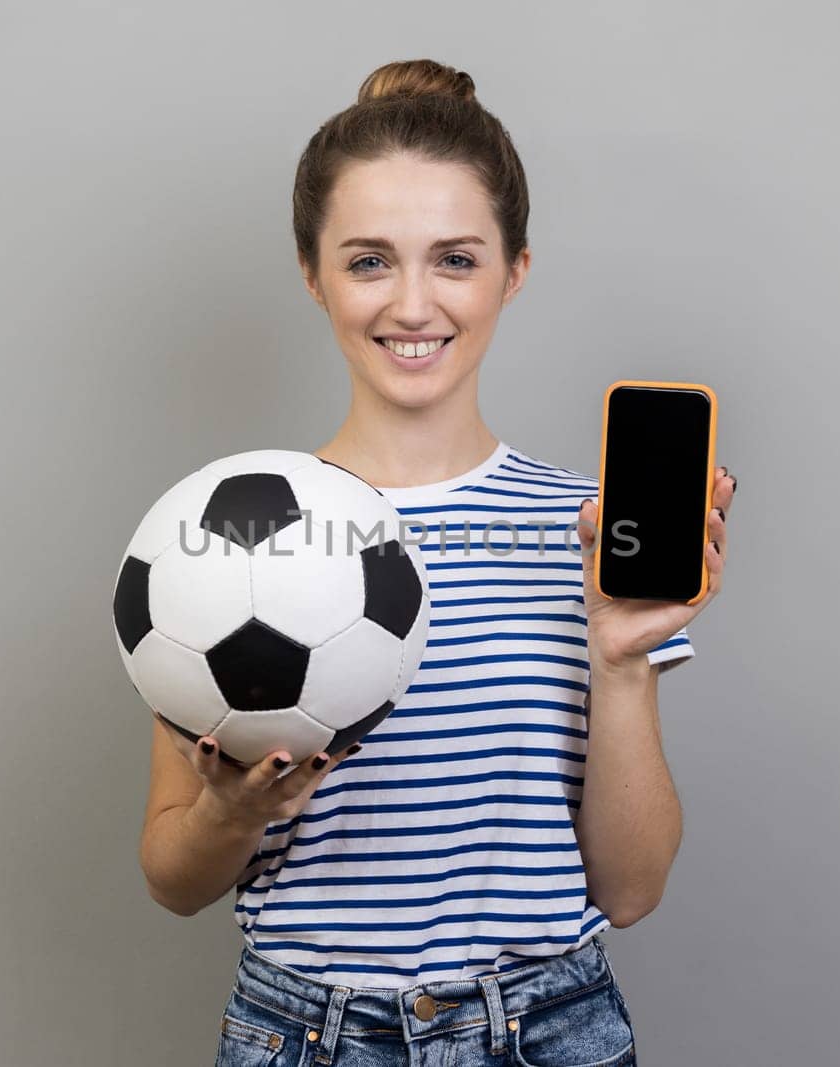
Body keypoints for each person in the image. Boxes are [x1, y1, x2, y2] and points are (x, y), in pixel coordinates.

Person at [140, 58, 737, 1066]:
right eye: (369, 260)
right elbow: (173, 875)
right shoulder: (224, 535)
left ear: (514, 270)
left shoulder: (583, 529)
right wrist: (227, 811)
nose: (413, 304)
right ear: (311, 272)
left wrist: (622, 656)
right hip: (308, 1035)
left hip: (547, 1032)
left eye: (454, 258)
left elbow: (630, 891)